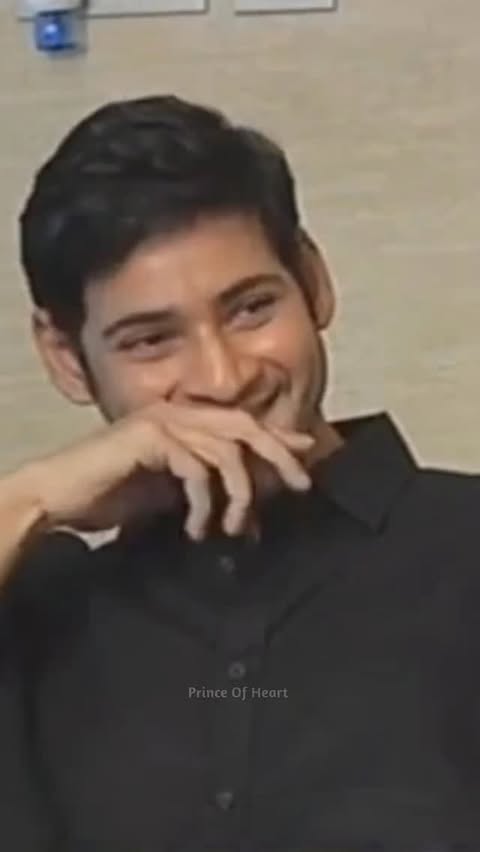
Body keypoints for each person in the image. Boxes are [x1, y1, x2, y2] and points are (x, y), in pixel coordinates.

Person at [0, 94, 479, 852]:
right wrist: (29, 497)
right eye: (150, 340)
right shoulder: (40, 605)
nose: (223, 379)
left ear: (314, 282)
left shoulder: (463, 548)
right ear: (66, 358)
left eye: (251, 308)